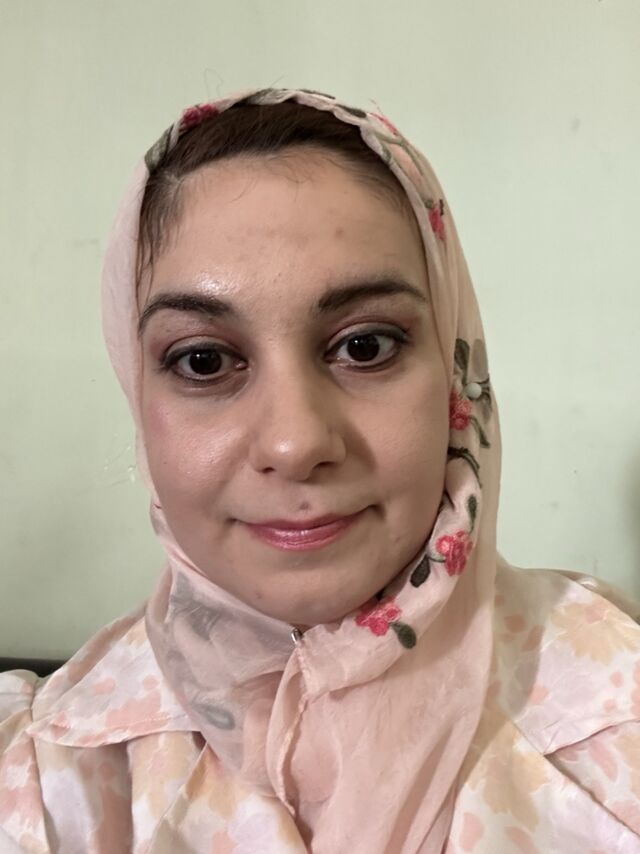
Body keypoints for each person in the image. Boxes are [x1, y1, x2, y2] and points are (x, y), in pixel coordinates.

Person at [1, 86, 639, 854]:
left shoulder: (616, 723)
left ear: (453, 372)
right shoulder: (48, 775)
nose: (296, 442)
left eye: (365, 346)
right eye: (203, 361)